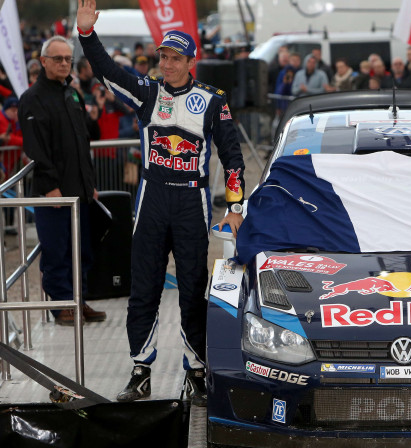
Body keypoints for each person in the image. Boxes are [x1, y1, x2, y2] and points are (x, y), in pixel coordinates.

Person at [77, 0, 246, 406]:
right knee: (144, 288)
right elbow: (108, 73)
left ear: (191, 60)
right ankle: (141, 370)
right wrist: (87, 34)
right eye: (163, 57)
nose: (167, 65)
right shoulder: (147, 93)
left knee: (192, 288)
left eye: (175, 58)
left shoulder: (212, 100)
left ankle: (196, 370)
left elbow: (233, 155)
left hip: (192, 199)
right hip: (152, 198)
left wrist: (236, 206)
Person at [18, 35, 107, 326]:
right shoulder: (32, 99)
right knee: (57, 251)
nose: (64, 63)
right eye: (58, 59)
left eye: (68, 59)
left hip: (79, 190)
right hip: (53, 194)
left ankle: (78, 301)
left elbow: (83, 141)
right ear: (43, 61)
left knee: (81, 251)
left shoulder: (72, 94)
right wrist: (50, 187)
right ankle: (61, 306)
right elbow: (35, 148)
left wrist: (89, 183)